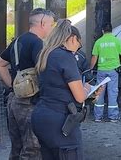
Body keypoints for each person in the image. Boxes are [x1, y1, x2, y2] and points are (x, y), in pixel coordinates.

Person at [0, 8, 56, 160]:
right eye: (51, 24)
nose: (52, 28)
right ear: (42, 23)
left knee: (17, 147)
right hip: (29, 103)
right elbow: (45, 72)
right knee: (32, 149)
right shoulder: (38, 43)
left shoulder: (17, 41)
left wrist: (13, 86)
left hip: (13, 101)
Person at [31, 20, 90, 159]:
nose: (77, 49)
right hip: (60, 122)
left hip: (41, 117)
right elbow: (80, 97)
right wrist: (88, 88)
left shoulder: (45, 54)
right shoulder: (65, 56)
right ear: (73, 38)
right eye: (78, 45)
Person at [90, 23, 121, 122]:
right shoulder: (117, 41)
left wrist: (91, 69)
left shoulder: (99, 42)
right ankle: (113, 117)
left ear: (102, 31)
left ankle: (98, 117)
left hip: (101, 71)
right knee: (112, 93)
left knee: (99, 93)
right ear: (111, 31)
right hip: (113, 71)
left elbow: (94, 57)